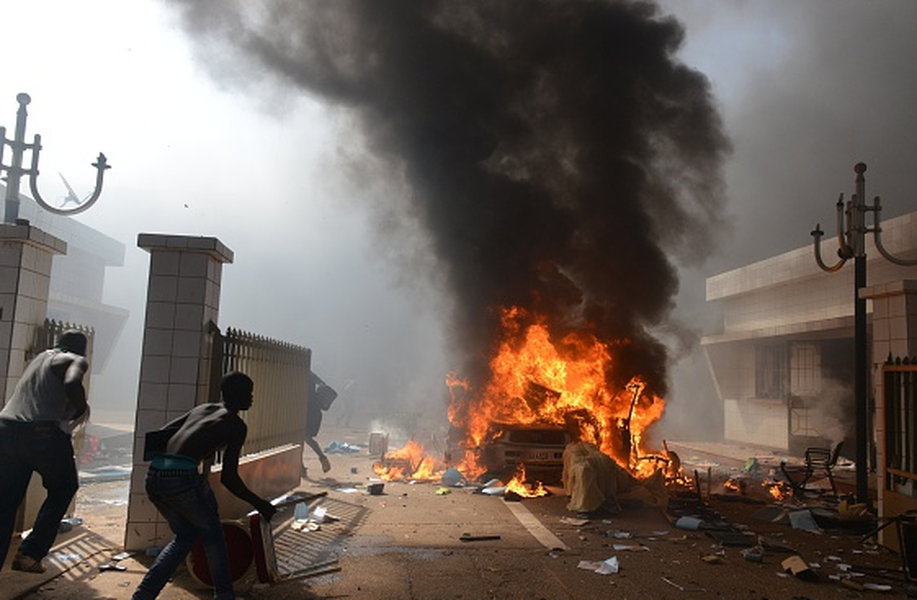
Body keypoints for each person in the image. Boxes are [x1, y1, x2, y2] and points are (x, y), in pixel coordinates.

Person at [131, 371, 277, 600]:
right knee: (213, 536)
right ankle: (225, 595)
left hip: (155, 475)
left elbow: (164, 433)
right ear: (236, 394)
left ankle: (143, 595)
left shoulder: (202, 409)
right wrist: (260, 503)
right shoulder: (236, 425)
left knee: (186, 535)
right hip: (183, 479)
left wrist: (193, 448)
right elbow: (230, 478)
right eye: (248, 393)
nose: (251, 398)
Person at [0, 330, 90, 574]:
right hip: (42, 434)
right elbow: (72, 383)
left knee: (6, 503)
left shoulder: (39, 359)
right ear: (82, 348)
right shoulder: (75, 359)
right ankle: (30, 554)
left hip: (6, 430)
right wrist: (82, 407)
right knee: (64, 487)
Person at [303, 371, 336, 475]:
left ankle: (321, 457)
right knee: (302, 439)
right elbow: (322, 383)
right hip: (311, 412)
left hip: (309, 413)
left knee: (304, 438)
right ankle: (301, 467)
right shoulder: (311, 375)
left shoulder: (304, 374)